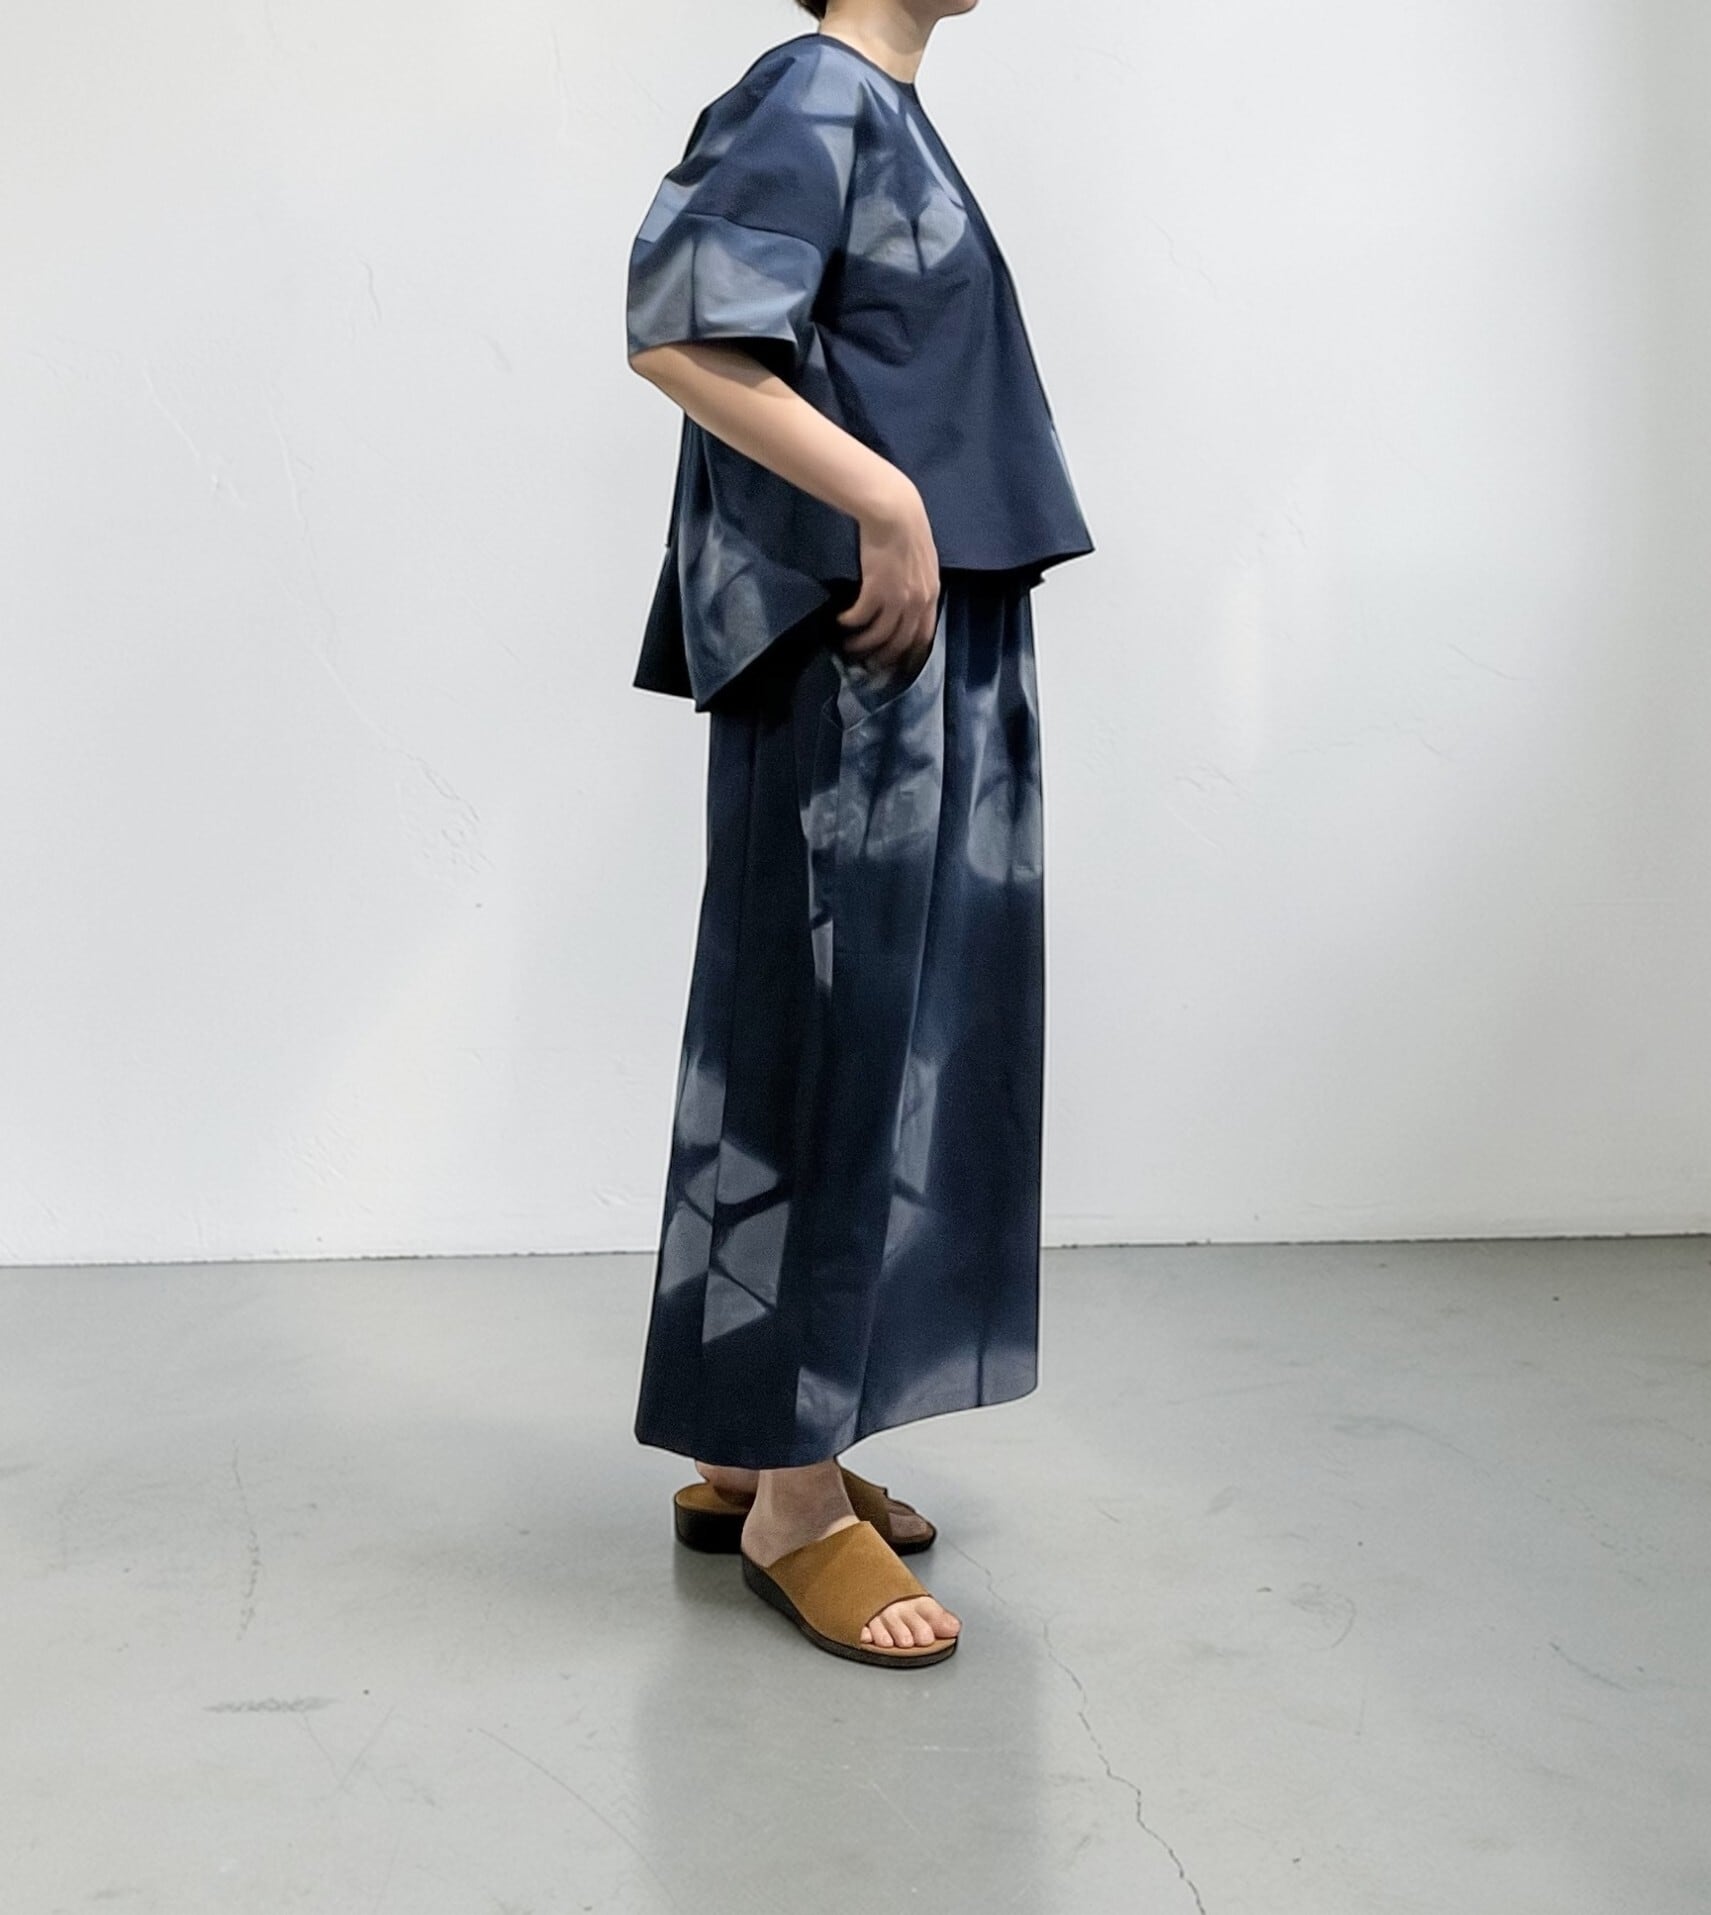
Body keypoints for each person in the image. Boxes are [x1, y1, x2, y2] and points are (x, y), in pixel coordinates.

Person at [623, 0, 1094, 1668]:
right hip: (863, 647)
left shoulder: (877, 108)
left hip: (911, 643)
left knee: (858, 1037)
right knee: (836, 1039)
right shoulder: (811, 91)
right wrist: (885, 499)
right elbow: (678, 328)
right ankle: (795, 1504)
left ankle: (756, 1438)